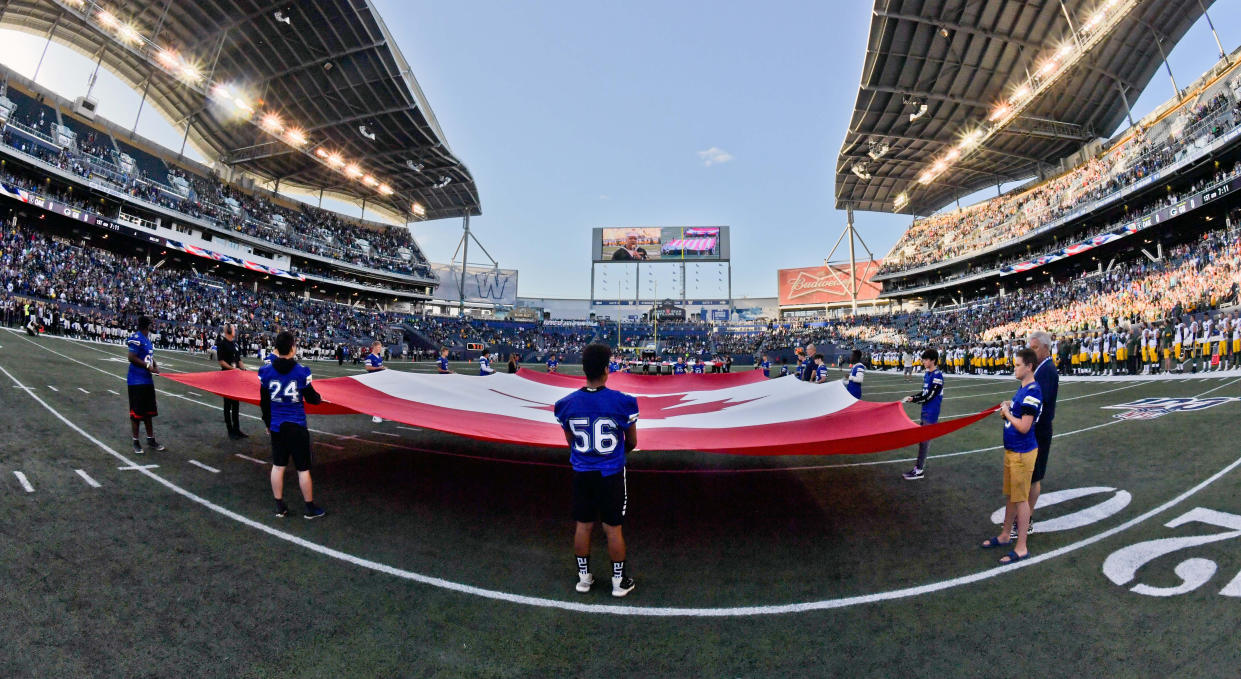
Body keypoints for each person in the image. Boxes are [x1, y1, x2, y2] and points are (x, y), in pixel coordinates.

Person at [554, 343, 639, 598]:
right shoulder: (624, 402)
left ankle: (583, 579)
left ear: (583, 369)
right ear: (606, 368)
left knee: (583, 525)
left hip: (582, 472)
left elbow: (571, 441)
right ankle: (618, 582)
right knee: (613, 528)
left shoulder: (565, 404)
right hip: (611, 472)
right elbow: (632, 443)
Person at [983, 348, 1043, 564]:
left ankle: (1021, 547)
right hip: (1013, 450)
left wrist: (1007, 413)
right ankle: (1005, 534)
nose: (1014, 368)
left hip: (1022, 452)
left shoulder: (1033, 391)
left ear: (1029, 366)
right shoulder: (1022, 389)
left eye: (1017, 365)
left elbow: (1025, 427)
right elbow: (1017, 416)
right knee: (1011, 496)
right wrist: (1009, 409)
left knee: (1021, 499)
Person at [259, 331, 326, 520]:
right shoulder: (301, 371)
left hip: (277, 426)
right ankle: (310, 508)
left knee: (278, 466)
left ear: (276, 349)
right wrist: (320, 399)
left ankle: (280, 507)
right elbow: (312, 398)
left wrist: (267, 423)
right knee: (303, 469)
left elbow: (264, 402)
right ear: (292, 348)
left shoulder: (266, 371)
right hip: (296, 425)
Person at [1018, 330, 1058, 538]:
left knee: (1033, 477)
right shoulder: (1040, 368)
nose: (1030, 352)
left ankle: (1027, 519)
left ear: (1045, 348)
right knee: (1028, 475)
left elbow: (1039, 403)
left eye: (1034, 348)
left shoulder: (1048, 370)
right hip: (1032, 429)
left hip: (1038, 430)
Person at [901, 349, 943, 480]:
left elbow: (930, 396)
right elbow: (924, 393)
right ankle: (918, 468)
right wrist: (912, 397)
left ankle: (918, 470)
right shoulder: (927, 374)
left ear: (933, 360)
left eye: (926, 359)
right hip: (924, 411)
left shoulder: (937, 376)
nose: (923, 362)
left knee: (924, 442)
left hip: (931, 413)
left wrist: (915, 400)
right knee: (922, 441)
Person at [126, 316, 166, 454]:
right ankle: (136, 441)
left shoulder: (146, 339)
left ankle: (150, 439)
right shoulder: (137, 337)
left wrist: (154, 363)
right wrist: (149, 366)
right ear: (147, 326)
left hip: (147, 380)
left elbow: (148, 354)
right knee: (136, 414)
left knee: (148, 412)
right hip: (136, 381)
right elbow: (131, 357)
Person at [216, 323, 248, 440]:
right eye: (234, 329)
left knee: (236, 405)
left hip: (235, 378)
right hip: (226, 377)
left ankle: (237, 429)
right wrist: (232, 369)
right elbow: (221, 361)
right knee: (227, 405)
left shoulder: (235, 343)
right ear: (229, 330)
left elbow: (238, 359)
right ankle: (230, 431)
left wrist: (244, 369)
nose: (235, 330)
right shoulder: (222, 344)